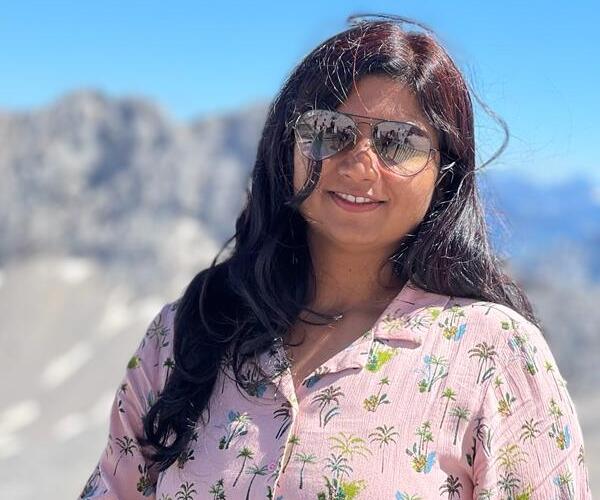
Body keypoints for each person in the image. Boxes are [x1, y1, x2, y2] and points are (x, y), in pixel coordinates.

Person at [79, 13, 591, 500]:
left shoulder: (493, 356)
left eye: (399, 142)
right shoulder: (188, 332)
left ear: (445, 172)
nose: (360, 164)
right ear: (287, 147)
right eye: (328, 130)